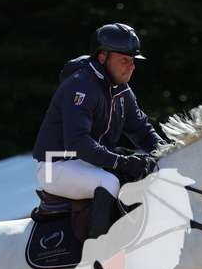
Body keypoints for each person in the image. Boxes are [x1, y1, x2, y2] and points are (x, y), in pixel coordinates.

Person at [32, 23, 165, 233]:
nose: (131, 66)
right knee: (108, 183)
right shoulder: (81, 86)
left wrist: (170, 154)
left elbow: (142, 131)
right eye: (124, 60)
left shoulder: (122, 91)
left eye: (132, 61)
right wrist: (120, 162)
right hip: (55, 165)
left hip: (90, 163)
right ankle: (99, 252)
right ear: (103, 57)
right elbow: (78, 142)